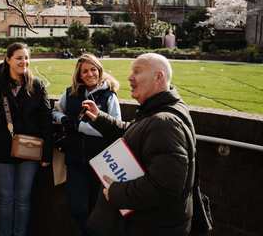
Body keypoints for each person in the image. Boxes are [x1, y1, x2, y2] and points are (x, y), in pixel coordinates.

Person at [82, 53, 195, 236]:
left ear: (159, 77)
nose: (130, 77)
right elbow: (135, 133)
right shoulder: (157, 111)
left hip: (149, 226)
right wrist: (100, 119)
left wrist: (116, 193)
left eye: (137, 71)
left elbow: (165, 186)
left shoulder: (164, 122)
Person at [0, 42, 53, 236]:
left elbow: (46, 121)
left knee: (23, 198)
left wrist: (47, 154)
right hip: (1, 151)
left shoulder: (37, 85)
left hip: (30, 151)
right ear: (8, 59)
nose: (24, 62)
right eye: (19, 58)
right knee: (5, 198)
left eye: (26, 58)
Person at [52, 53, 121, 236]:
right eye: (85, 71)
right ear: (79, 75)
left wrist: (79, 126)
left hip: (100, 161)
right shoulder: (71, 93)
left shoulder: (109, 96)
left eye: (93, 70)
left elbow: (114, 128)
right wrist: (65, 119)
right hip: (75, 160)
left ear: (99, 71)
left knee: (96, 209)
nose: (90, 74)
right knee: (74, 207)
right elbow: (54, 112)